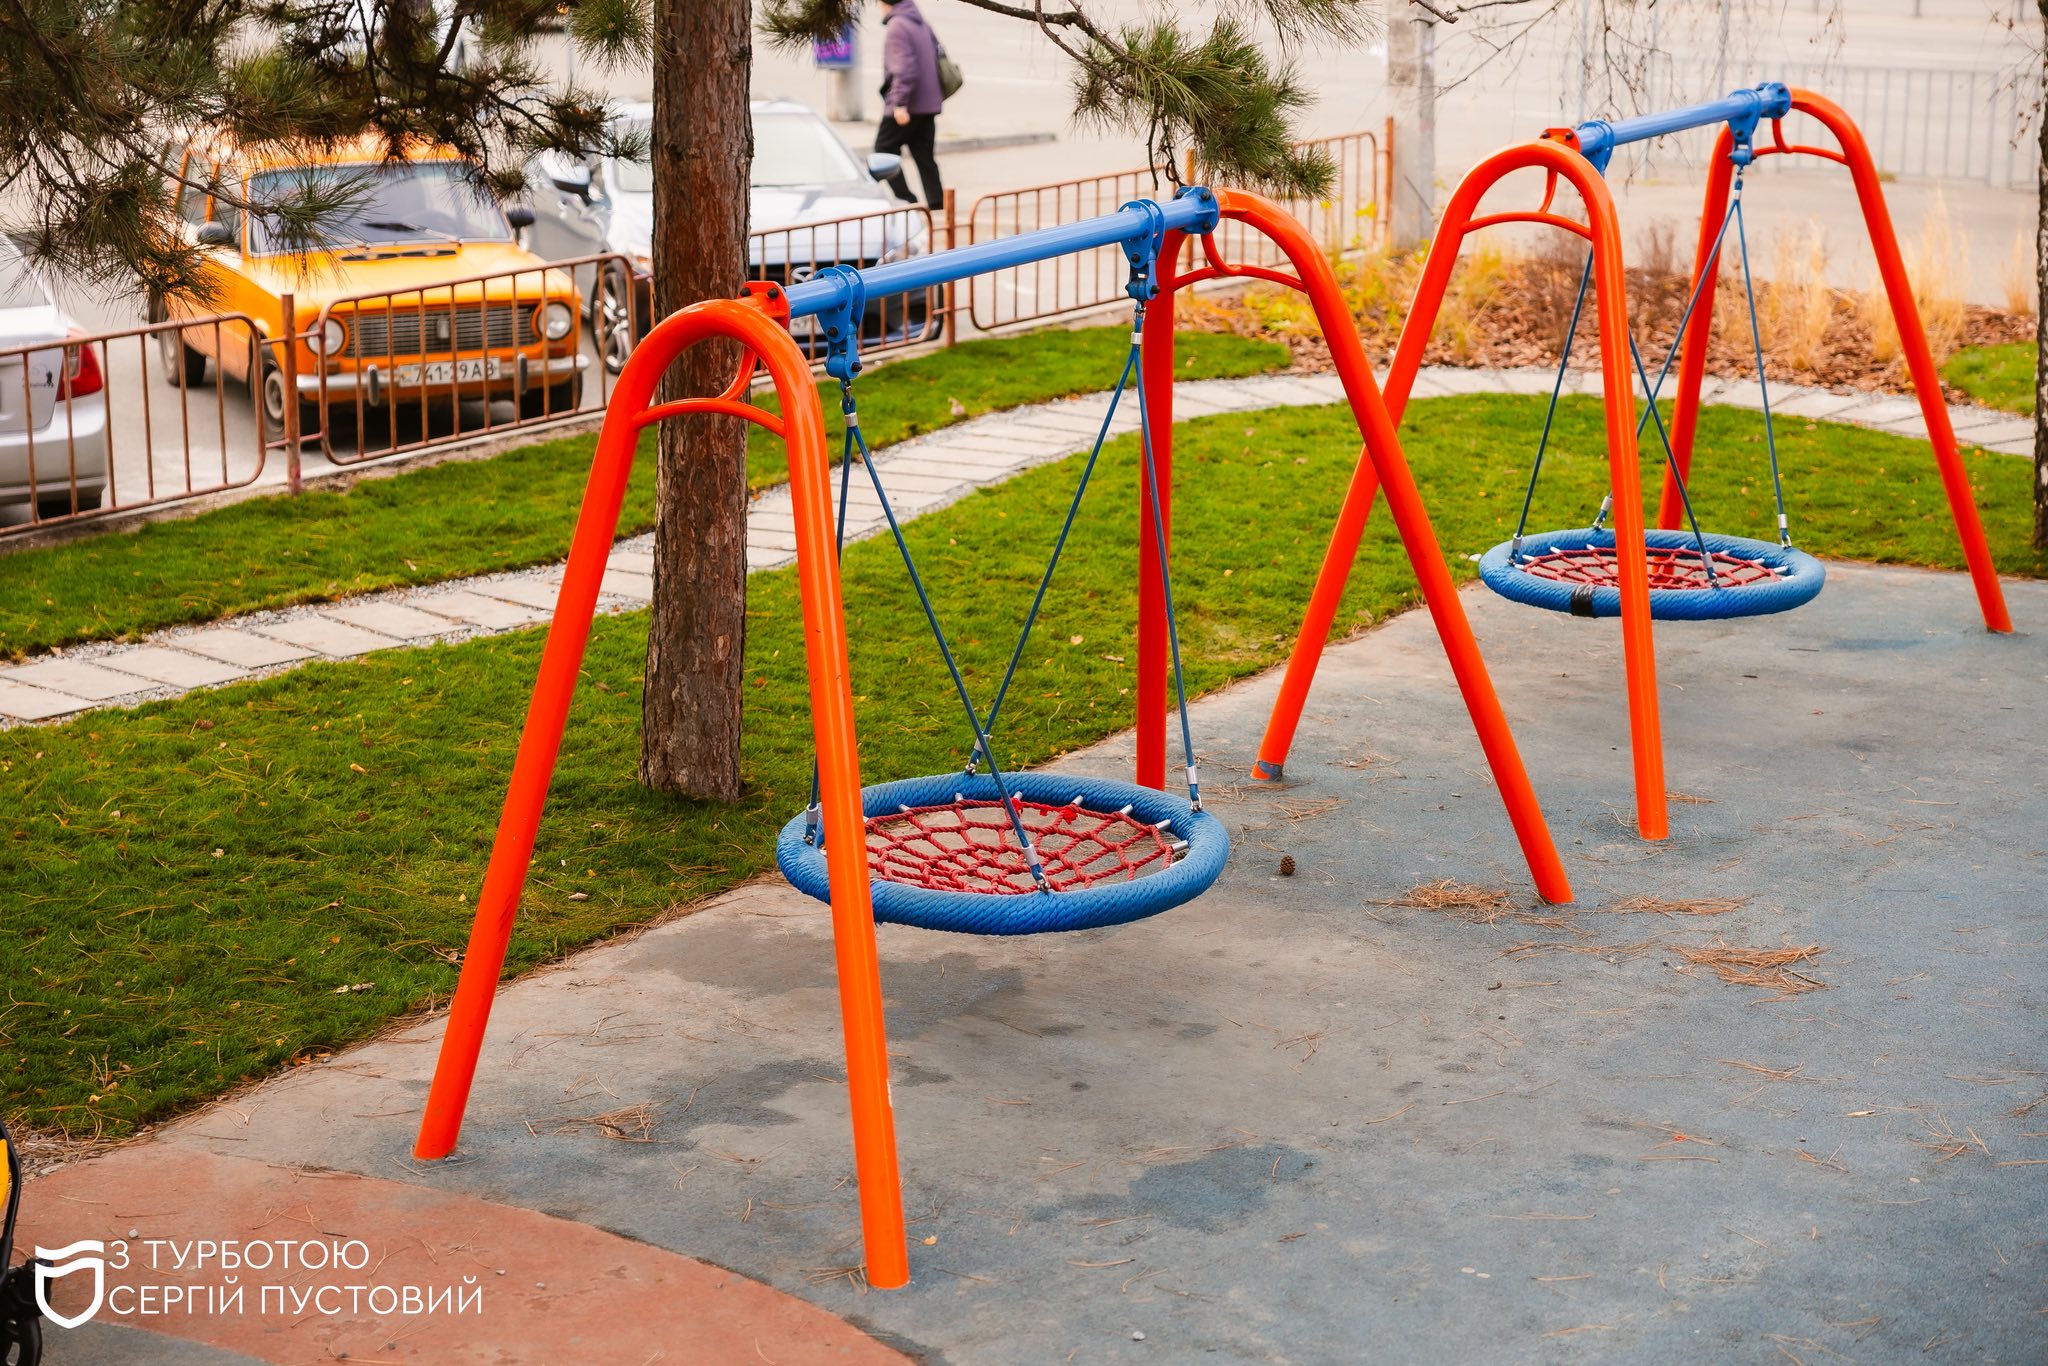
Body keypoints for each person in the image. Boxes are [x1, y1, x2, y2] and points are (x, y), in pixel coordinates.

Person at [874, 0, 944, 209]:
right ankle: (938, 204)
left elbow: (904, 69)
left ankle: (907, 200)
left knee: (883, 151)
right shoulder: (920, 21)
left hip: (908, 106)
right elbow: (939, 53)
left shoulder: (898, 26)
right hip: (928, 105)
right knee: (925, 158)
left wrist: (899, 104)